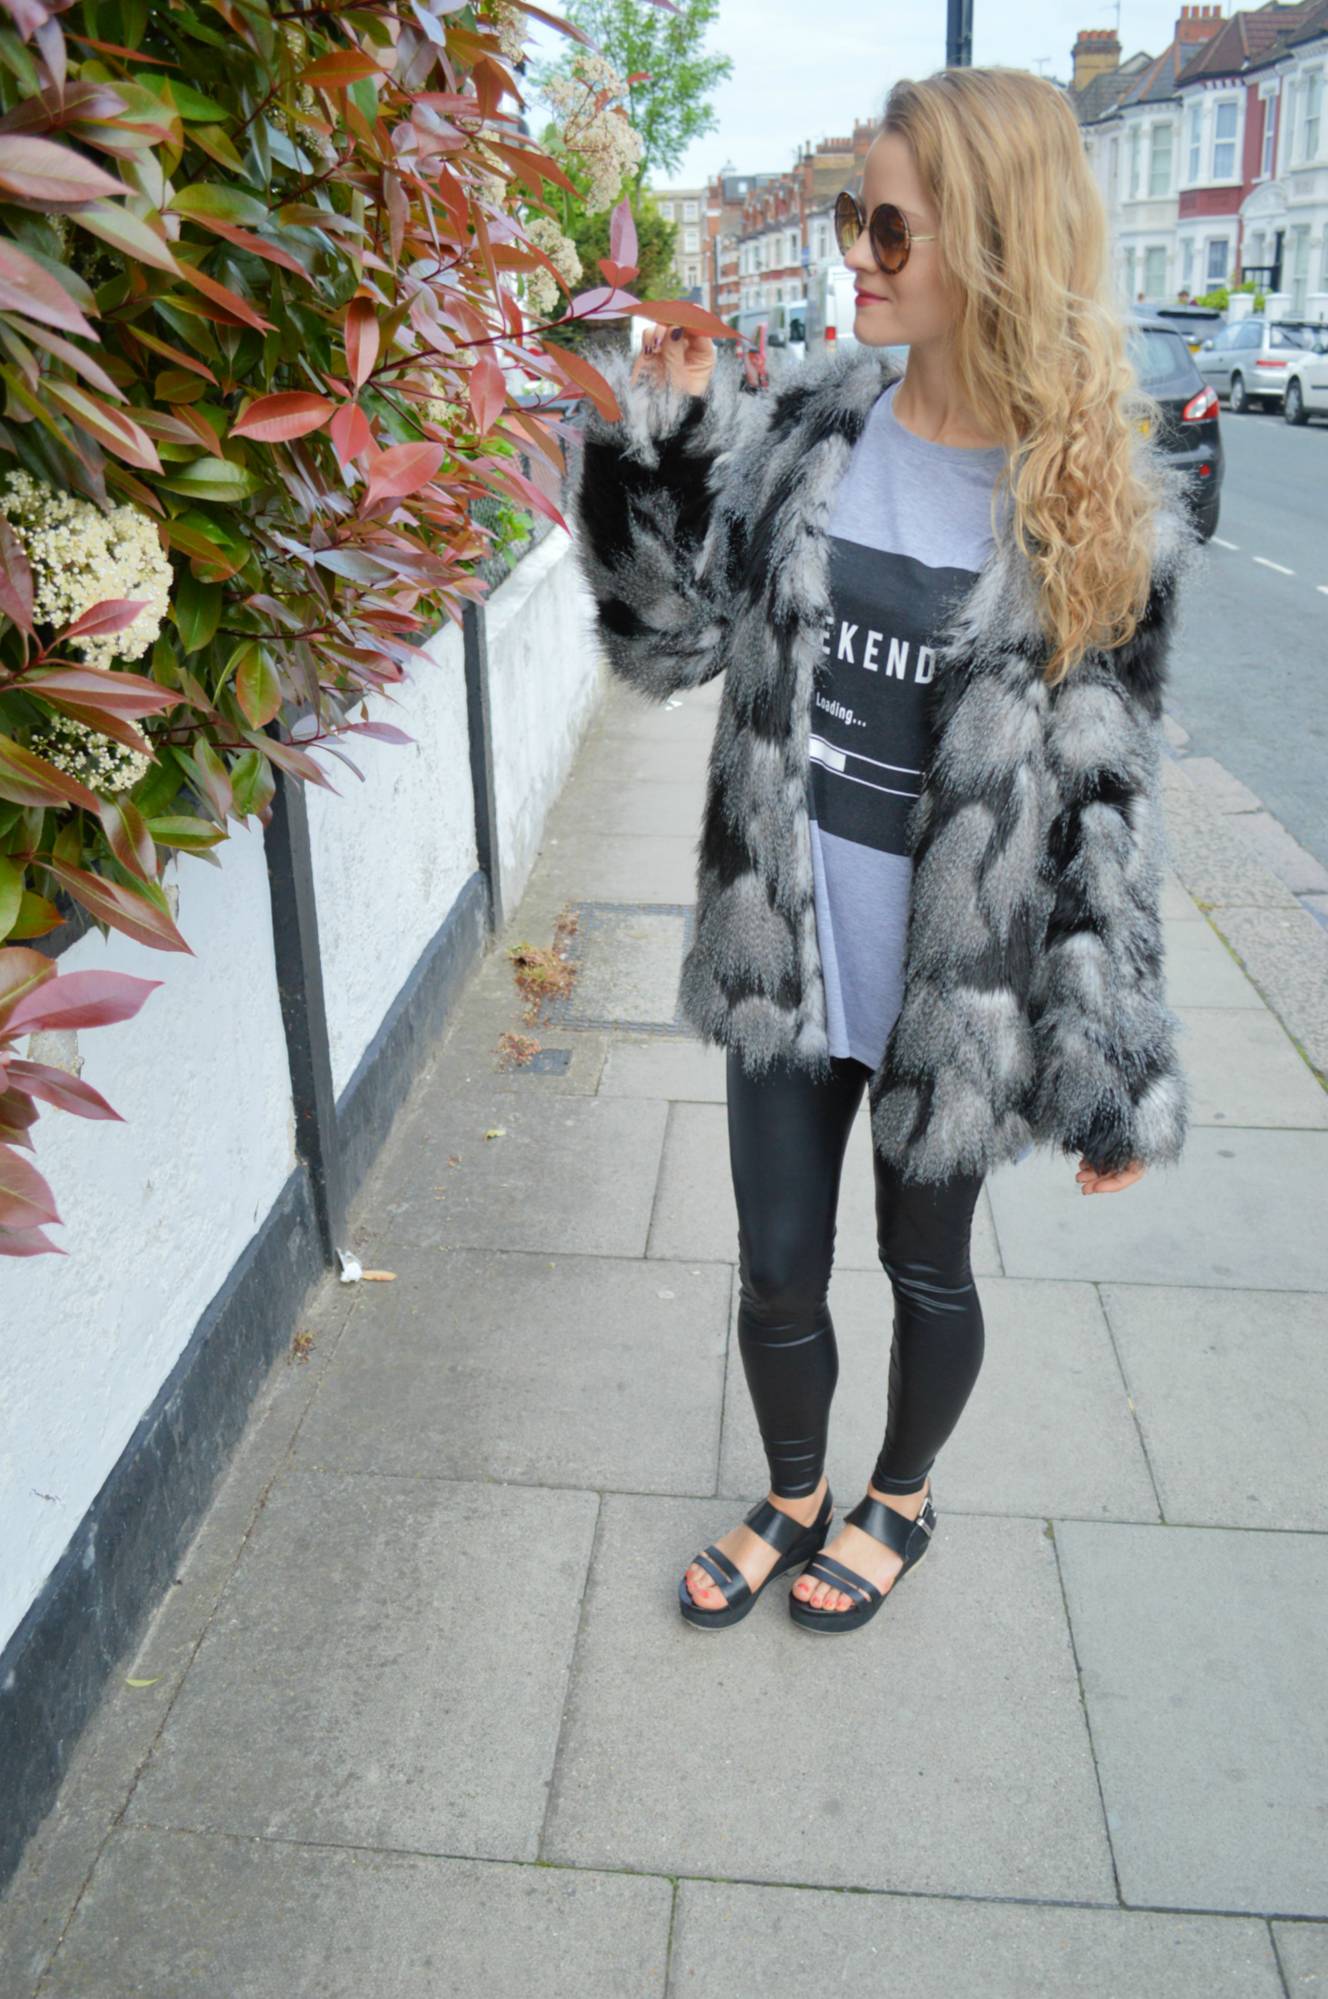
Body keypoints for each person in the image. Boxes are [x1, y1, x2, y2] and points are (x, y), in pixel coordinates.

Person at [571, 68, 1188, 1635]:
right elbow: (667, 644)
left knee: (928, 1273)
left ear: (991, 240)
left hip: (950, 996)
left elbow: (1107, 812)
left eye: (887, 224)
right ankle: (795, 1494)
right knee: (777, 1269)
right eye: (853, 213)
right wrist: (655, 438)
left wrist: (1112, 1060)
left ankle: (898, 1498)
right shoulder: (811, 433)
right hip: (789, 944)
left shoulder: (1088, 513)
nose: (855, 249)